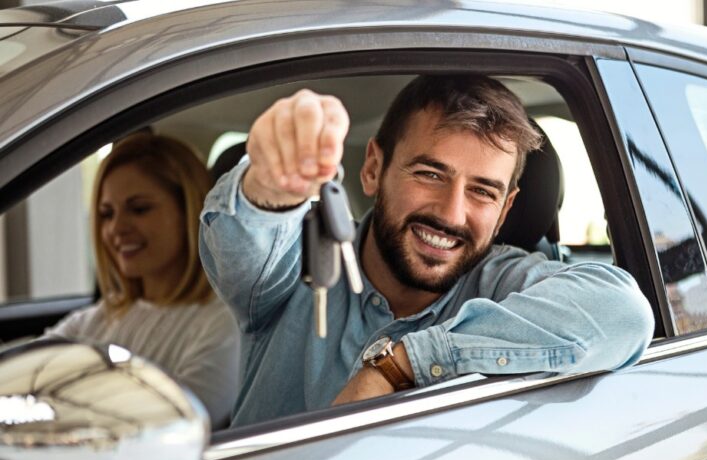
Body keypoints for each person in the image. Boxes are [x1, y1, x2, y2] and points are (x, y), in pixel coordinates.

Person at [199, 75, 654, 427]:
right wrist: (272, 184)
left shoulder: (509, 284)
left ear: (505, 209)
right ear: (374, 168)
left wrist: (401, 366)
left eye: (482, 191)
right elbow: (248, 235)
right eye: (430, 174)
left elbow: (624, 313)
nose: (451, 214)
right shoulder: (298, 263)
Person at [47, 133, 239, 429]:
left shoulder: (223, 324)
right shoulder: (99, 317)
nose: (116, 229)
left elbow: (179, 426)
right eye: (106, 214)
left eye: (139, 209)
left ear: (189, 210)